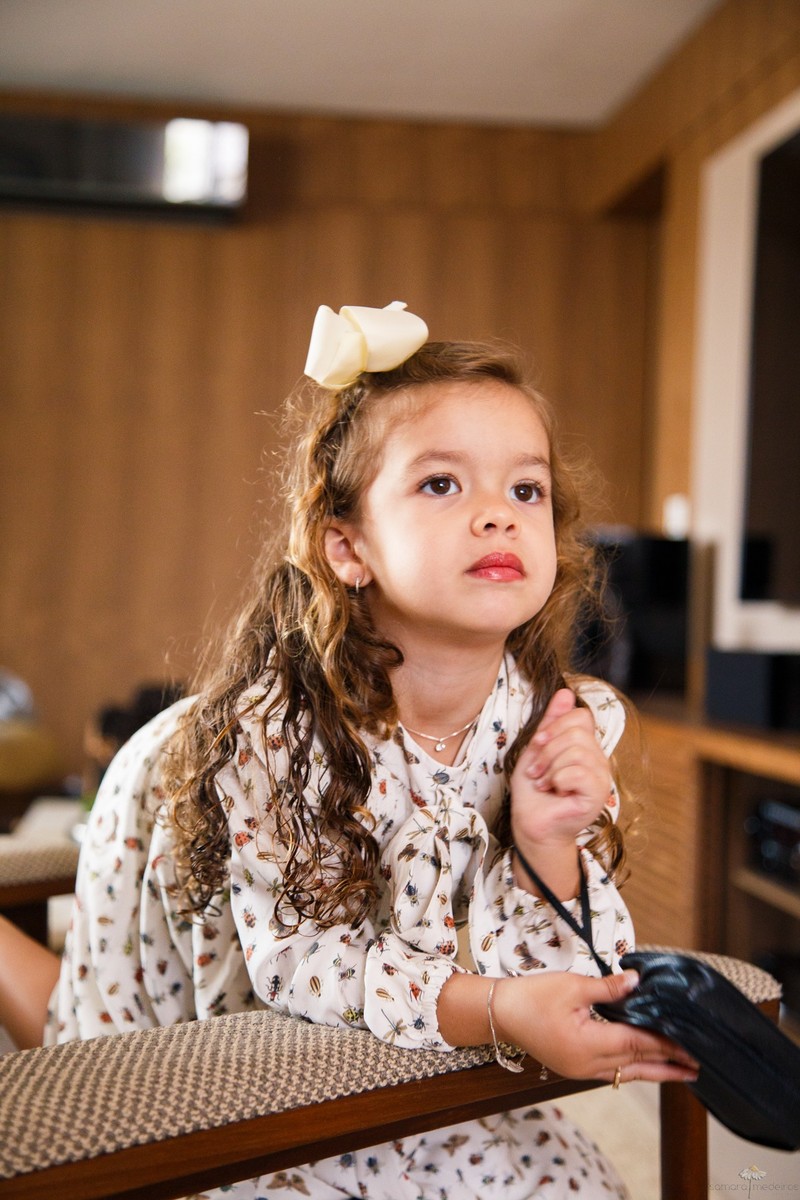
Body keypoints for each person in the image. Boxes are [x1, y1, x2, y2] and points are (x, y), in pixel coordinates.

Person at [0, 302, 697, 1199]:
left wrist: (548, 843)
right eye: (443, 485)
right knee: (96, 1053)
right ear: (348, 547)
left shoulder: (566, 719)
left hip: (416, 1004)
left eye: (526, 490)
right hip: (194, 851)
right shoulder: (276, 738)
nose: (498, 516)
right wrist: (493, 1009)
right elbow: (303, 967)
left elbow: (561, 973)